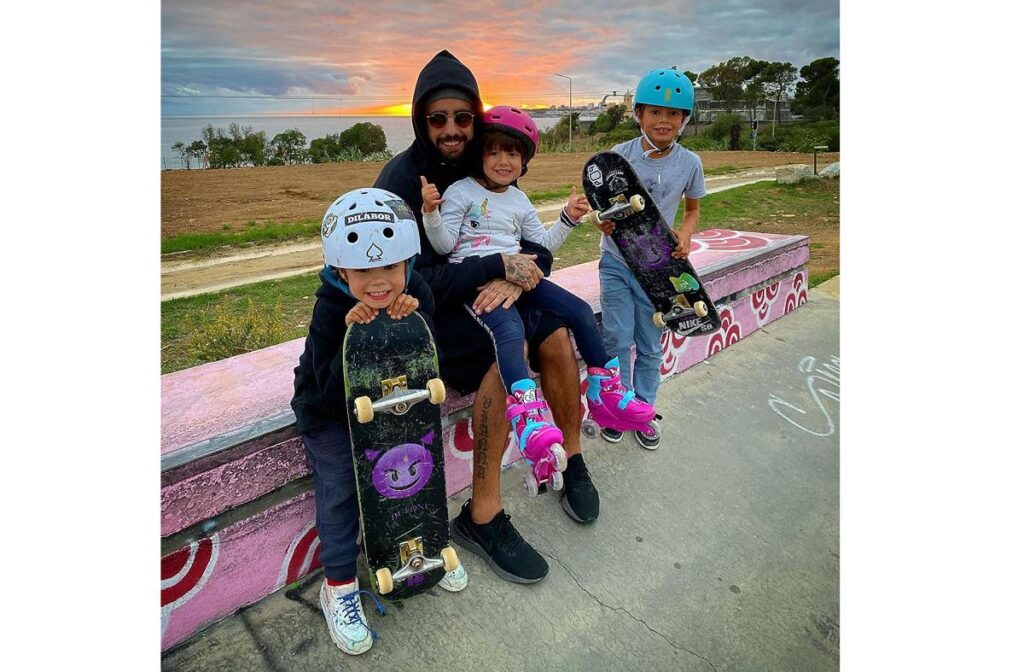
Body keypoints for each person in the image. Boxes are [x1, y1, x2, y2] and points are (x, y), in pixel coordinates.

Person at [374, 50, 598, 587]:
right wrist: (495, 265)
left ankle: (571, 455)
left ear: (475, 118)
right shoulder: (402, 180)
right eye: (437, 119)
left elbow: (536, 253)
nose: (452, 130)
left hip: (499, 296)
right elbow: (415, 284)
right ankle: (483, 515)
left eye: (462, 117)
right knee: (510, 354)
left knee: (560, 336)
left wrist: (512, 275)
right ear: (419, 120)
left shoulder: (488, 164)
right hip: (438, 317)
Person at [420, 106, 656, 493]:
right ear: (480, 153)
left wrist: (567, 218)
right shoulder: (461, 191)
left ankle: (605, 391)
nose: (503, 161)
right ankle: (527, 415)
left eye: (513, 154)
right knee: (510, 333)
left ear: (524, 162)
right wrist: (431, 213)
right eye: (494, 152)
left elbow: (540, 246)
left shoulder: (518, 200)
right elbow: (444, 245)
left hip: (519, 276)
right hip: (479, 287)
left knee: (579, 311)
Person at [290, 188, 468, 656]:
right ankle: (340, 586)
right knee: (343, 488)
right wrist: (355, 332)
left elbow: (432, 360)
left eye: (389, 267)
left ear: (407, 262)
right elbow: (327, 388)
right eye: (363, 270)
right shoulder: (331, 308)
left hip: (389, 404)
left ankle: (426, 549)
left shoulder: (415, 290)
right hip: (327, 412)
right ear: (340, 270)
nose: (378, 282)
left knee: (419, 473)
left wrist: (418, 319)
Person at [597, 67, 707, 450]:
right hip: (615, 263)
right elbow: (603, 212)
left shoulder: (690, 163)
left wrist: (687, 233)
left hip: (658, 269)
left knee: (649, 344)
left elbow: (692, 210)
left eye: (674, 114)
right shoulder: (617, 159)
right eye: (655, 112)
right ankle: (618, 407)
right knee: (616, 339)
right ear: (639, 115)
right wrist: (603, 223)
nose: (664, 120)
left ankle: (643, 409)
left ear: (684, 120)